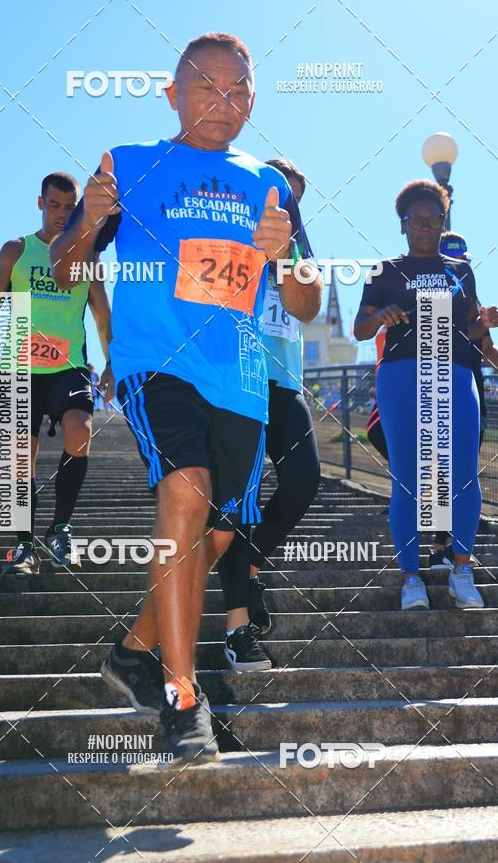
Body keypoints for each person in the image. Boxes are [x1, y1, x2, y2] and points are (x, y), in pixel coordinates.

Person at [51, 32, 322, 764]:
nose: (222, 102)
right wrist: (87, 220)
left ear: (255, 101)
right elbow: (66, 267)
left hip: (239, 372)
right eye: (206, 87)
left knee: (215, 533)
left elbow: (305, 301)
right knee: (186, 489)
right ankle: (181, 697)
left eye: (238, 90)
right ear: (172, 94)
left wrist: (284, 256)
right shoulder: (131, 165)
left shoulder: (267, 180)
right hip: (156, 363)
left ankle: (136, 651)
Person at [354, 179, 498, 612]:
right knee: (407, 477)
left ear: (443, 222)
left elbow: (470, 333)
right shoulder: (385, 271)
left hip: (455, 373)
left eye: (433, 219)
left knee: (463, 473)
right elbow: (361, 329)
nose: (424, 227)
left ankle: (460, 571)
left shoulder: (461, 271)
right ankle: (411, 578)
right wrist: (381, 314)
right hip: (401, 374)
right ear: (402, 224)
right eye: (415, 220)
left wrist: (486, 321)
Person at [0, 172, 112, 577]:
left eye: (70, 207)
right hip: (19, 364)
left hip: (68, 367)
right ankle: (23, 545)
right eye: (55, 205)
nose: (62, 215)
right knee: (18, 462)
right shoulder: (17, 250)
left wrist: (113, 361)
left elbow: (103, 317)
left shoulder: (87, 259)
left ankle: (60, 527)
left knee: (80, 430)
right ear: (40, 204)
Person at [216, 158, 320, 670]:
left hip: (285, 380)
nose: (287, 205)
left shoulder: (298, 245)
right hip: (239, 378)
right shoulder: (237, 228)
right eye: (281, 194)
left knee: (304, 481)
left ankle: (252, 566)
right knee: (242, 503)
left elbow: (309, 307)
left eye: (296, 198)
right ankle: (237, 630)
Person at [427, 231, 498, 569]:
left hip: (470, 392)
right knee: (440, 471)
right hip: (436, 392)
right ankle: (440, 546)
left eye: (464, 260)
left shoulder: (470, 295)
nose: (460, 266)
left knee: (464, 471)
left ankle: (457, 546)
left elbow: (485, 346)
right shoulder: (422, 293)